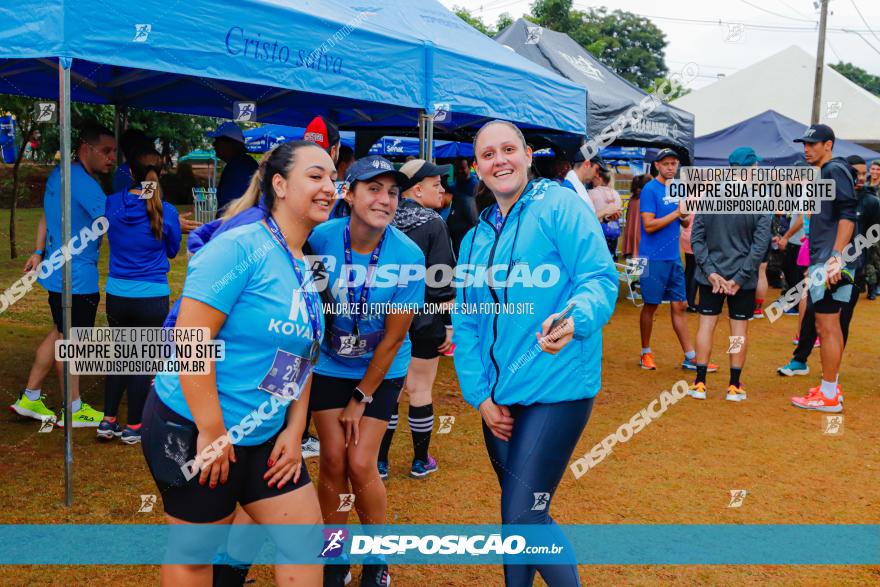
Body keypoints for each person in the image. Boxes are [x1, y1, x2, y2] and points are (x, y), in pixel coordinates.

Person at [141, 141, 334, 585]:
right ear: (280, 185)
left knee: (305, 543)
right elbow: (191, 340)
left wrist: (293, 428)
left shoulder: (304, 260)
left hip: (264, 435)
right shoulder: (239, 247)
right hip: (195, 428)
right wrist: (211, 431)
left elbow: (303, 350)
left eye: (331, 178)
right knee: (195, 557)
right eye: (315, 176)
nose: (329, 187)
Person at [453, 120, 618, 586]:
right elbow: (466, 323)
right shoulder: (474, 237)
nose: (499, 160)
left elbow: (598, 280)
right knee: (517, 519)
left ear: (528, 155)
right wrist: (480, 397)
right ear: (477, 167)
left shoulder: (559, 206)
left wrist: (574, 319)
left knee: (524, 517)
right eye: (488, 154)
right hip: (500, 400)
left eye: (509, 149)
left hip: (557, 386)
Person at [308, 155, 423, 587]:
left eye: (392, 192)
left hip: (383, 366)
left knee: (360, 462)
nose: (385, 199)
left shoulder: (408, 253)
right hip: (329, 363)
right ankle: (335, 558)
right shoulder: (320, 239)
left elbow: (394, 338)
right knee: (333, 461)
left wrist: (361, 398)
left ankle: (378, 560)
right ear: (349, 194)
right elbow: (313, 303)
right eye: (373, 189)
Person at [10, 122, 114, 427]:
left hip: (57, 273)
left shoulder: (59, 173)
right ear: (86, 149)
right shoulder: (85, 185)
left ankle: (30, 397)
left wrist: (39, 251)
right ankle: (74, 408)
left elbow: (46, 214)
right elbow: (113, 225)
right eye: (106, 151)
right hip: (77, 278)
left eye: (113, 152)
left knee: (59, 332)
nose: (111, 158)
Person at [97, 146, 181, 444]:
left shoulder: (111, 204)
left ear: (129, 172)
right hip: (152, 295)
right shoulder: (166, 211)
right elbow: (172, 250)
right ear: (158, 174)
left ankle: (108, 421)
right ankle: (133, 426)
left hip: (118, 293)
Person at [379, 158, 456, 480]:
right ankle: (420, 460)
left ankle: (379, 462)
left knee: (389, 391)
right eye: (436, 184)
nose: (442, 190)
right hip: (426, 318)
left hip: (383, 318)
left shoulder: (381, 218)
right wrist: (449, 323)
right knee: (420, 389)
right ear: (417, 189)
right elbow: (442, 281)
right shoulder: (433, 223)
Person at [778, 155, 880, 378]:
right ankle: (799, 360)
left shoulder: (871, 202)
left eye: (864, 173)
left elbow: (874, 232)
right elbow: (810, 222)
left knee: (841, 319)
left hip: (851, 269)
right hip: (822, 266)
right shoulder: (827, 194)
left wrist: (856, 253)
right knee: (813, 314)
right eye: (855, 172)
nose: (860, 177)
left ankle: (831, 374)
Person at [687, 147, 771, 402]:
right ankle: (734, 385)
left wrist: (711, 273)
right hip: (740, 281)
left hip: (712, 276)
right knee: (738, 330)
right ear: (752, 168)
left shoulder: (710, 197)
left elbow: (697, 239)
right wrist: (739, 278)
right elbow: (759, 247)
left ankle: (700, 382)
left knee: (706, 326)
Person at [789, 125, 856, 413]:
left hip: (830, 261)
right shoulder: (828, 172)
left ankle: (828, 396)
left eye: (813, 144)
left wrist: (835, 257)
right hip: (827, 257)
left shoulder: (833, 170)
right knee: (830, 326)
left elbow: (848, 213)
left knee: (826, 327)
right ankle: (831, 386)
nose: (807, 149)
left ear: (828, 144)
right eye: (805, 143)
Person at [637, 149, 716, 372]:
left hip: (673, 257)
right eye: (666, 163)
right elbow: (649, 225)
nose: (671, 167)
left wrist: (683, 216)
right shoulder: (649, 189)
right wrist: (676, 213)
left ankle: (690, 356)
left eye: (674, 163)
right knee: (650, 306)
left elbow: (680, 222)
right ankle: (645, 353)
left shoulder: (677, 188)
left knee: (680, 305)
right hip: (652, 258)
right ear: (657, 166)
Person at [207, 122, 260, 212]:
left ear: (230, 143)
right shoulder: (244, 164)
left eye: (217, 140)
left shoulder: (238, 168)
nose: (214, 145)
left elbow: (229, 208)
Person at [587, 167, 623, 258]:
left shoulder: (591, 193)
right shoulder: (616, 193)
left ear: (598, 177)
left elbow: (587, 215)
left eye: (593, 177)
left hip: (597, 234)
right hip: (613, 233)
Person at [447, 157, 480, 256]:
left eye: (462, 168)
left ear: (469, 168)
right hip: (456, 234)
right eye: (457, 169)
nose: (459, 171)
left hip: (470, 232)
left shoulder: (476, 186)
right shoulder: (453, 186)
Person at [622, 174, 650, 259]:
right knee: (641, 268)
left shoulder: (632, 200)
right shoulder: (645, 200)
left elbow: (627, 217)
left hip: (630, 236)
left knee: (632, 267)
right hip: (640, 238)